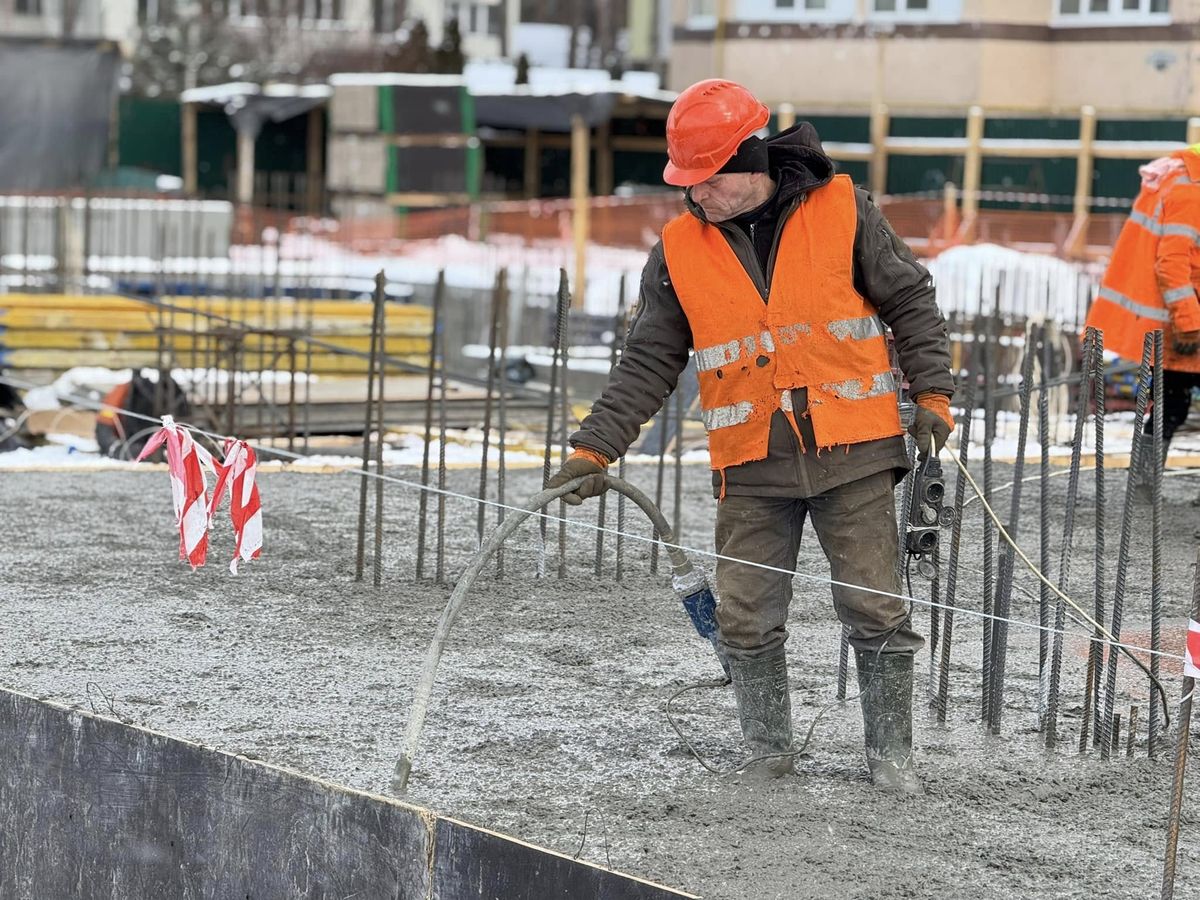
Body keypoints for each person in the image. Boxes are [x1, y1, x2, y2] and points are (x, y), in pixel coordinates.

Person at [547, 79, 954, 793]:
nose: (696, 195)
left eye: (707, 180)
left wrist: (933, 394)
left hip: (854, 451)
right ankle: (768, 755)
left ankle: (891, 758)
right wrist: (595, 448)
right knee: (745, 615)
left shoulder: (845, 210)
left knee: (875, 606)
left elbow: (910, 301)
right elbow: (647, 361)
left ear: (750, 161)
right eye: (687, 182)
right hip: (752, 463)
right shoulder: (679, 249)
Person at [1085, 149, 1200, 490]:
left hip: (1182, 319)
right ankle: (1144, 485)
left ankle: (1144, 484)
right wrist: (1189, 324)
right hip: (1187, 322)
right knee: (1169, 407)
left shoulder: (1178, 179)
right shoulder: (1190, 192)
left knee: (1168, 406)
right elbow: (1171, 263)